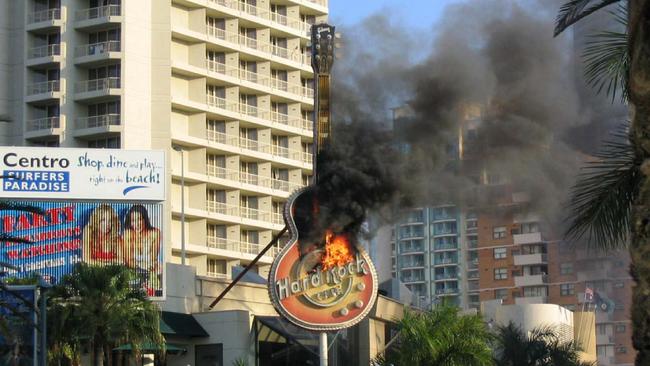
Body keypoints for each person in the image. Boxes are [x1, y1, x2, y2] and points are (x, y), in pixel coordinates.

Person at [123, 205, 161, 295]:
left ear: (145, 219)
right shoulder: (127, 234)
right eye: (133, 221)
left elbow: (153, 258)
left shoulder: (155, 233)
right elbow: (128, 260)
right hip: (132, 273)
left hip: (150, 272)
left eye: (139, 219)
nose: (137, 224)